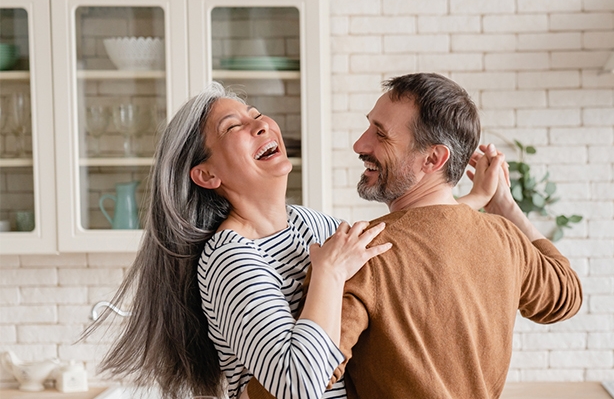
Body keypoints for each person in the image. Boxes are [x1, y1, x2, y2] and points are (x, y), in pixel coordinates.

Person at [87, 82, 501, 399]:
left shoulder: (311, 225)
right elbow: (297, 385)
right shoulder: (231, 259)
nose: (262, 124)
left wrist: (473, 199)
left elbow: (395, 247)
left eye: (256, 115)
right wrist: (328, 275)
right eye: (235, 127)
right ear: (207, 175)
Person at [325, 73, 584, 398]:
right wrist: (505, 206)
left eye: (381, 135)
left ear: (434, 158)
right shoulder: (504, 237)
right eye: (369, 126)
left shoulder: (363, 253)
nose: (360, 144)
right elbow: (567, 295)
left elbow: (299, 381)